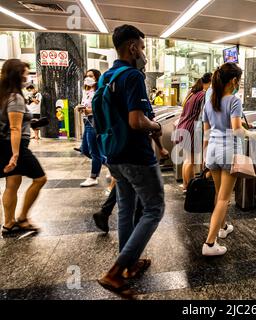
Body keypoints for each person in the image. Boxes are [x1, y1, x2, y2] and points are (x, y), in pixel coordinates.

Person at [97, 25, 165, 293]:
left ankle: (129, 264)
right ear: (133, 47)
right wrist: (156, 128)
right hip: (136, 155)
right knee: (154, 209)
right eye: (143, 48)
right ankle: (115, 272)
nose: (144, 55)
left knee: (126, 207)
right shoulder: (133, 77)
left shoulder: (106, 77)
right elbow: (137, 121)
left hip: (113, 153)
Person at [202, 62, 256, 256]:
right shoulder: (234, 100)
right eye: (239, 80)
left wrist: (205, 156)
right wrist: (253, 135)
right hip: (229, 152)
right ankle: (210, 244)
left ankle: (223, 227)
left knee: (219, 195)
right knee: (224, 199)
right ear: (234, 80)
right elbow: (236, 129)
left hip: (213, 150)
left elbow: (206, 131)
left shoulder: (209, 100)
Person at [0, 59, 47, 235]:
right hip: (15, 146)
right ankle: (22, 217)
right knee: (40, 178)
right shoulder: (16, 98)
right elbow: (14, 127)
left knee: (12, 183)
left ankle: (9, 223)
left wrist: (32, 123)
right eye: (25, 74)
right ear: (16, 76)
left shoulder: (3, 95)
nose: (27, 78)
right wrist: (15, 154)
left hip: (5, 144)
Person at [174, 72, 212, 191]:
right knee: (191, 161)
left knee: (187, 159)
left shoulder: (192, 93)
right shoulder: (203, 95)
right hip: (192, 127)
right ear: (209, 82)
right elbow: (203, 115)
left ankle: (186, 186)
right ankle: (189, 188)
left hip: (183, 126)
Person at [77, 69, 105, 187]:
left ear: (97, 78)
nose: (87, 78)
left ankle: (93, 177)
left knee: (94, 151)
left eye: (90, 76)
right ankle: (111, 165)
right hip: (87, 121)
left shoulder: (99, 91)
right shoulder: (87, 91)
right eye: (86, 76)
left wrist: (87, 110)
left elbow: (101, 108)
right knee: (85, 150)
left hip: (94, 121)